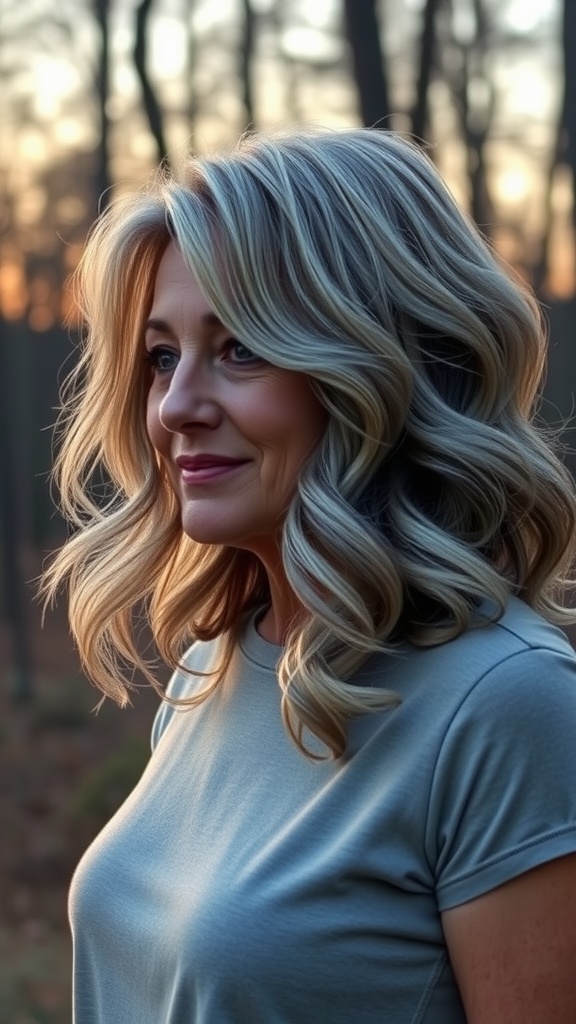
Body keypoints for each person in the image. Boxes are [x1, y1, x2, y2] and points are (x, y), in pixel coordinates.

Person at [42, 127, 576, 1024]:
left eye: (241, 347)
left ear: (379, 368)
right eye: (163, 355)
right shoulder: (212, 665)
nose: (175, 406)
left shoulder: (507, 705)